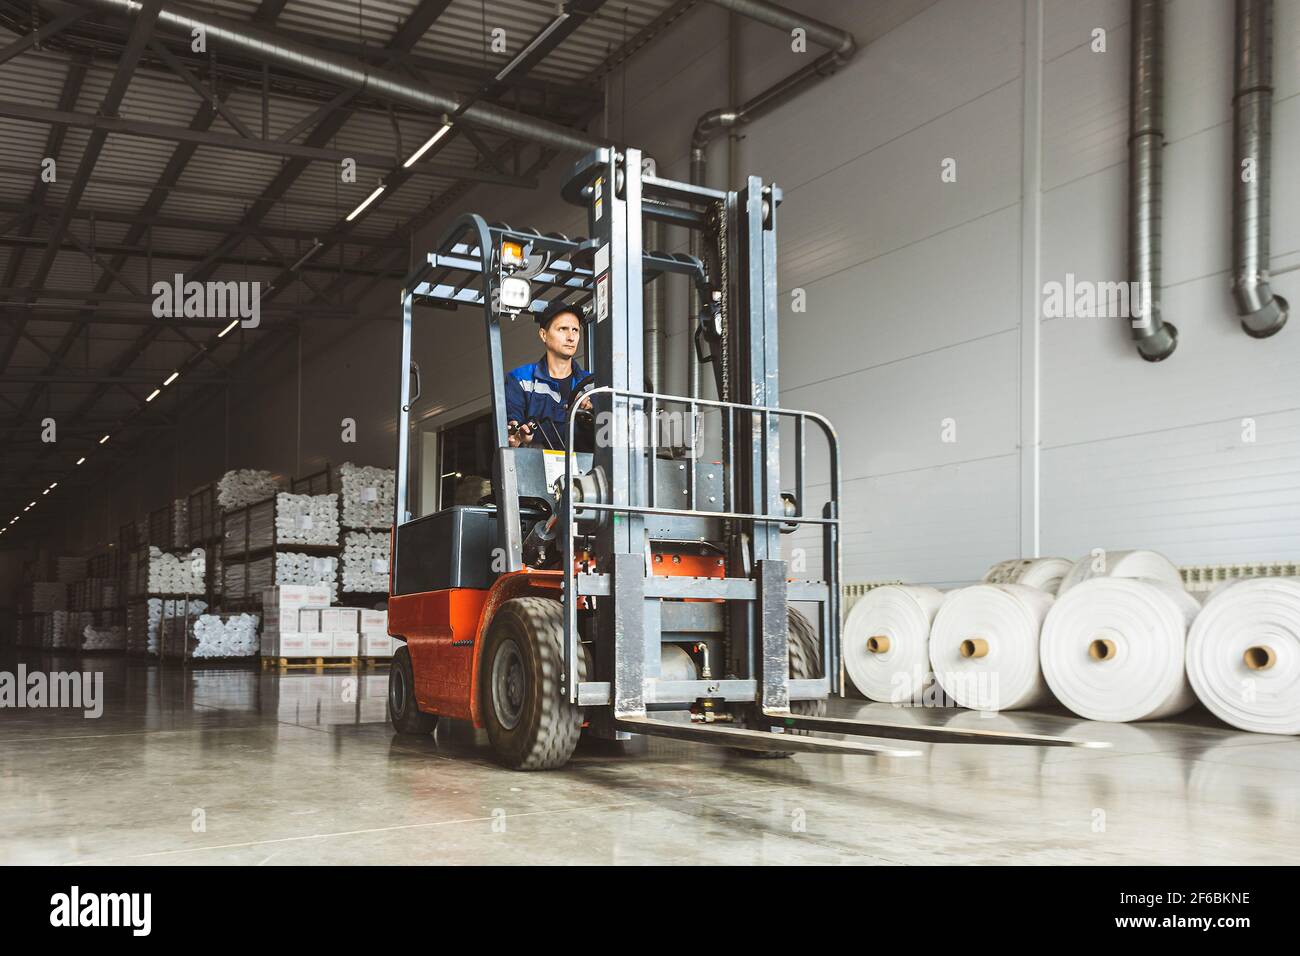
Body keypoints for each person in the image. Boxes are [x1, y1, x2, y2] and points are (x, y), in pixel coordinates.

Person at [505, 300, 592, 450]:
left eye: (575, 330)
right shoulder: (521, 379)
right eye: (563, 329)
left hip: (584, 471)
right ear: (544, 335)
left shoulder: (592, 385)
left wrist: (591, 413)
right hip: (535, 469)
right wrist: (517, 435)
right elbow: (512, 426)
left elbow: (608, 436)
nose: (571, 337)